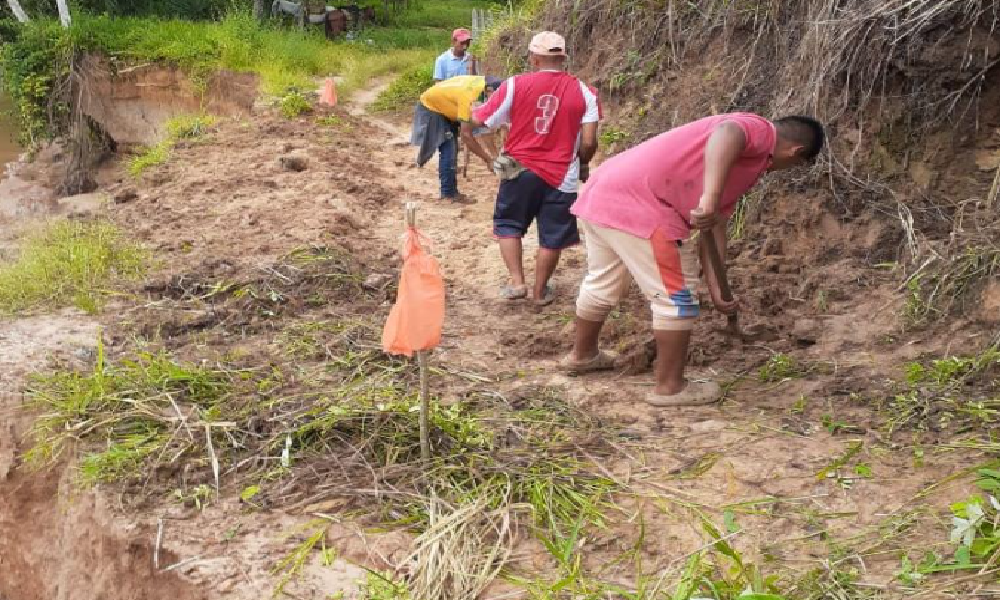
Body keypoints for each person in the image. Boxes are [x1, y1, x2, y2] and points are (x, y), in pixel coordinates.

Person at [561, 113, 826, 406]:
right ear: (796, 152)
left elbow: (715, 226)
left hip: (605, 192)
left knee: (603, 282)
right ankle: (670, 387)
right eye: (795, 166)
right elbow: (729, 131)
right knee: (676, 299)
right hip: (645, 206)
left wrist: (716, 288)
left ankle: (582, 356)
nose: (783, 170)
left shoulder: (744, 165)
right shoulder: (758, 130)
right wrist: (710, 198)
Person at [465, 31, 600, 306]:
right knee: (552, 234)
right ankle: (540, 292)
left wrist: (470, 113)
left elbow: (480, 120)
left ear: (534, 59)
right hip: (562, 174)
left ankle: (517, 283)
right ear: (563, 58)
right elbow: (588, 142)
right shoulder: (586, 93)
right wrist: (583, 163)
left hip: (519, 168)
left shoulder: (514, 85)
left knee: (508, 224)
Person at [411, 75, 503, 203]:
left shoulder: (484, 85)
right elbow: (466, 136)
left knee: (451, 148)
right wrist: (487, 159)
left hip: (445, 106)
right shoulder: (470, 96)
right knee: (449, 150)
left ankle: (451, 191)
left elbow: (480, 126)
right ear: (489, 91)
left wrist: (495, 156)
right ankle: (448, 194)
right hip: (432, 108)